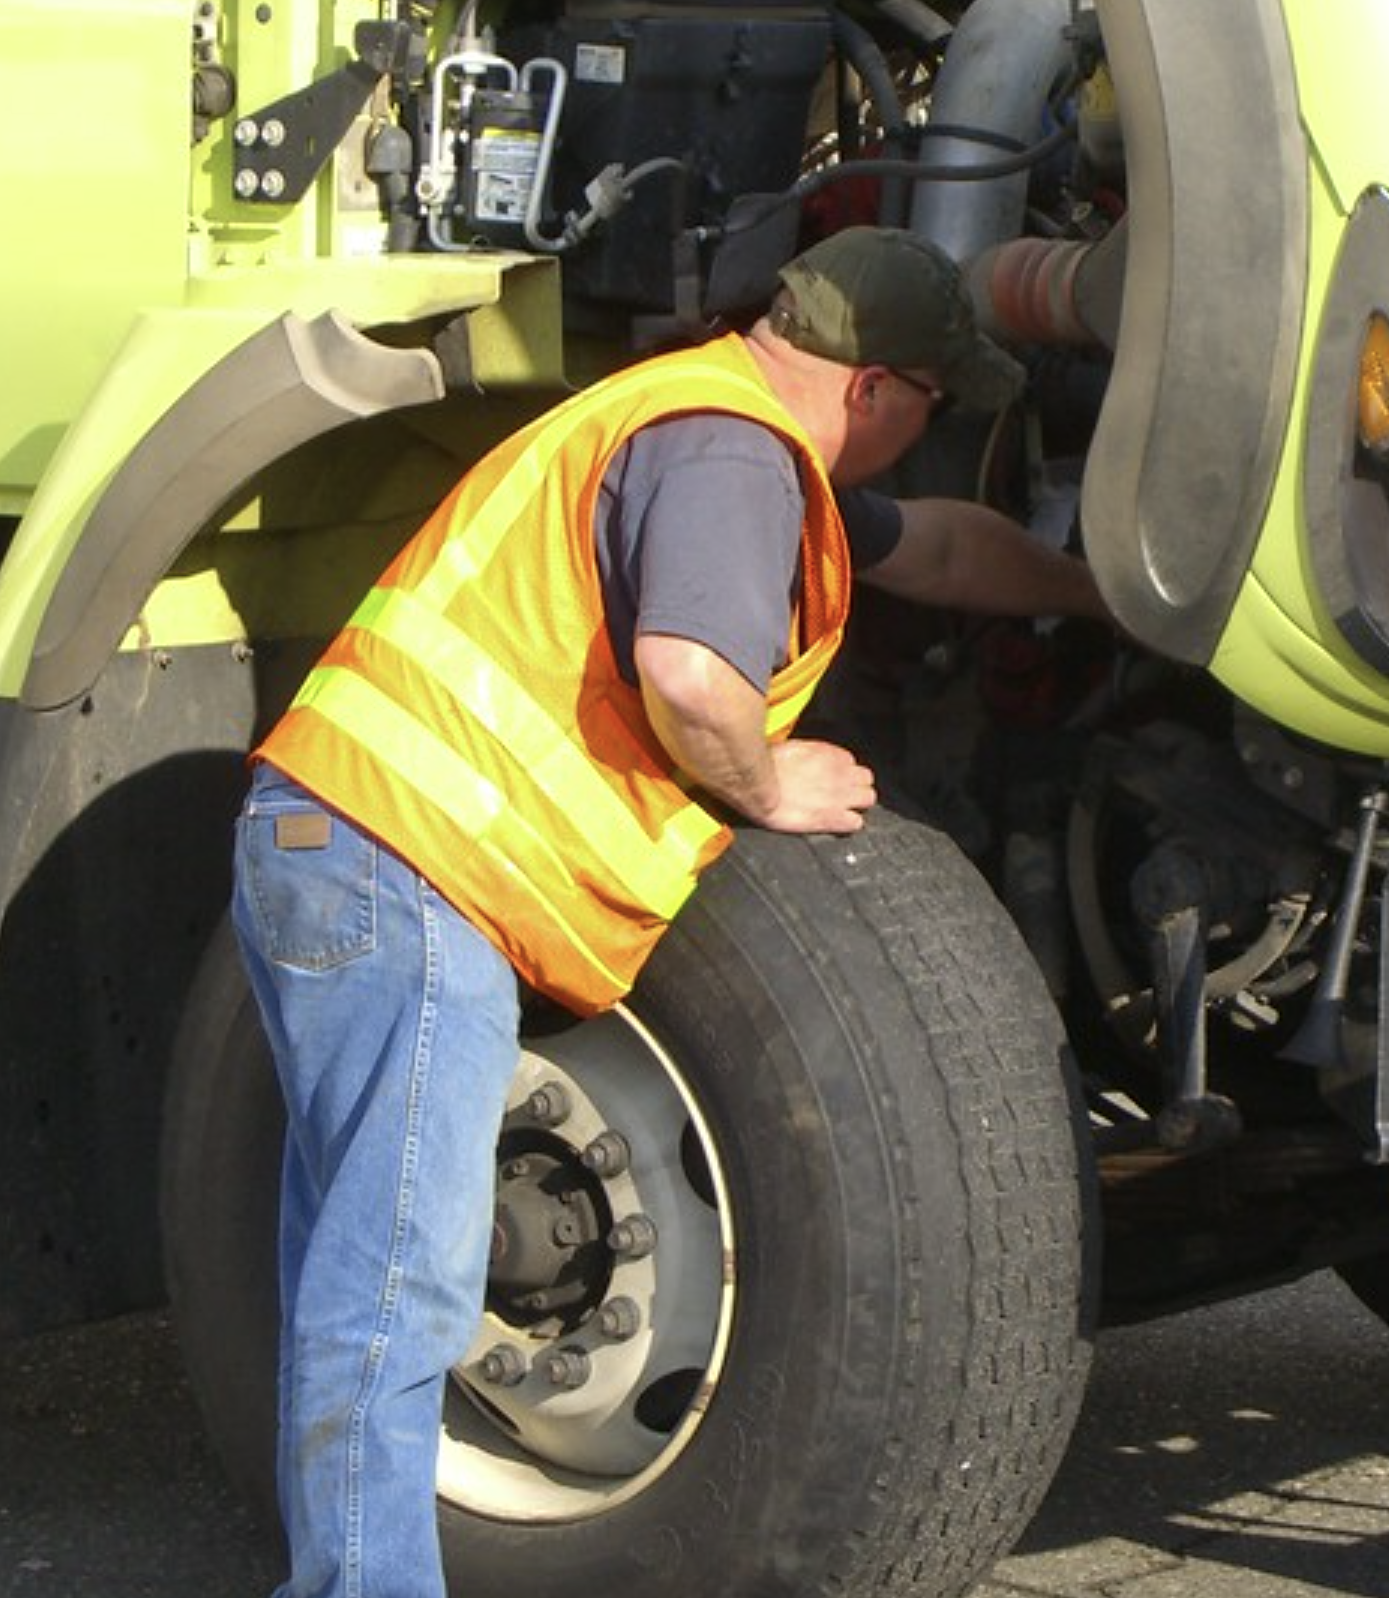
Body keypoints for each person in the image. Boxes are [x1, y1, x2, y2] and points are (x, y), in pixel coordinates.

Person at [227, 225, 1105, 1598]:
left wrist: (1096, 595)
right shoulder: (725, 451)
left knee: (367, 1262)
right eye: (935, 408)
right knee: (402, 1276)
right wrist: (773, 776)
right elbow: (693, 677)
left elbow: (932, 546)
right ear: (877, 389)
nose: (924, 441)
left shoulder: (721, 431)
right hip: (393, 867)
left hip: (356, 848)